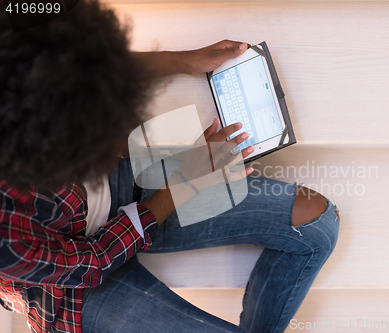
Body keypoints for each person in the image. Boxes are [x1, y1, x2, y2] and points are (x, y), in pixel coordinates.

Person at [0, 1, 340, 332]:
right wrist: (186, 180)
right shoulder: (6, 239)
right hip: (68, 290)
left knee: (315, 224)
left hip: (101, 185)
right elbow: (94, 261)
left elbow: (78, 70)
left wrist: (183, 61)